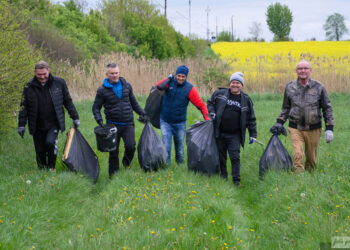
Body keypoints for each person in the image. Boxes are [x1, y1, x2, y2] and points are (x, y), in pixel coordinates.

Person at [270, 60, 334, 173]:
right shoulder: (290, 87)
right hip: (295, 127)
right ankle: (298, 179)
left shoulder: (319, 87)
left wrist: (329, 129)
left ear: (310, 70)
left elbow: (327, 108)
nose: (303, 71)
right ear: (296, 71)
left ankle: (309, 179)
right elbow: (286, 108)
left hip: (314, 128)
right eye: (300, 68)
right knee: (298, 154)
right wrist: (279, 122)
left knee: (311, 158)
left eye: (305, 68)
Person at [18, 61, 80, 172]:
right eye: (39, 75)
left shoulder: (59, 83)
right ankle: (42, 172)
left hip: (54, 122)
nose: (42, 77)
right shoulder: (29, 86)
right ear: (35, 73)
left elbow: (68, 101)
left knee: (50, 143)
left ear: (49, 71)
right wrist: (21, 125)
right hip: (36, 124)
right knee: (40, 151)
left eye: (44, 74)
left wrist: (75, 117)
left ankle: (51, 168)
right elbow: (23, 107)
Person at [92, 63, 148, 178]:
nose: (114, 75)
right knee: (113, 152)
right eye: (112, 73)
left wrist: (143, 113)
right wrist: (99, 120)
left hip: (128, 123)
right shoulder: (102, 90)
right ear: (107, 74)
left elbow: (134, 103)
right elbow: (96, 107)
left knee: (131, 146)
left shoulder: (127, 86)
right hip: (112, 125)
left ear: (119, 73)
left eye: (116, 73)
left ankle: (126, 163)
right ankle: (113, 176)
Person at [207, 72, 257, 186]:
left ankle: (236, 181)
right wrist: (212, 112)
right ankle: (223, 178)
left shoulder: (246, 99)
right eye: (233, 82)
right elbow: (210, 102)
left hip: (235, 134)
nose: (235, 85)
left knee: (235, 157)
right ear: (230, 83)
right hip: (219, 132)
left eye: (238, 83)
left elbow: (251, 118)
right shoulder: (220, 93)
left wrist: (253, 134)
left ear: (241, 85)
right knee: (221, 157)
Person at [156, 65, 209, 165]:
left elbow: (201, 104)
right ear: (176, 75)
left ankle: (179, 168)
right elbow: (158, 86)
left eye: (183, 76)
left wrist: (207, 118)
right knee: (166, 146)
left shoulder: (189, 89)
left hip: (180, 123)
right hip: (165, 121)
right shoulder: (169, 83)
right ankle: (166, 168)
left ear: (186, 77)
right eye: (179, 75)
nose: (180, 78)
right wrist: (168, 78)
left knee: (180, 149)